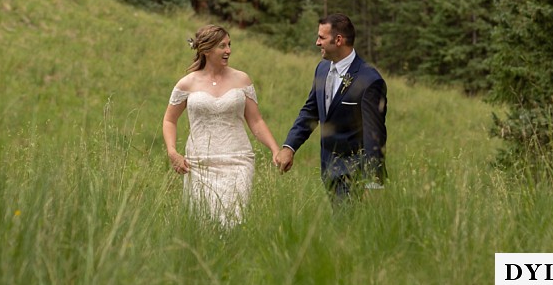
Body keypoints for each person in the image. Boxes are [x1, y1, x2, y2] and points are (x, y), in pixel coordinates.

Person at [163, 25, 280, 227]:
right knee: (202, 224)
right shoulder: (186, 84)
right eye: (222, 46)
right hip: (199, 163)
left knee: (233, 220)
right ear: (206, 50)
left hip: (237, 161)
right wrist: (172, 152)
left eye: (229, 45)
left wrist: (275, 149)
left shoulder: (241, 79)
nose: (228, 50)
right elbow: (169, 120)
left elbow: (256, 120)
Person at [273, 13, 387, 201]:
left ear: (339, 40)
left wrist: (373, 183)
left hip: (355, 177)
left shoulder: (370, 80)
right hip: (328, 172)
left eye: (321, 37)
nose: (317, 42)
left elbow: (374, 136)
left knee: (347, 228)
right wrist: (289, 147)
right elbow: (311, 112)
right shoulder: (322, 69)